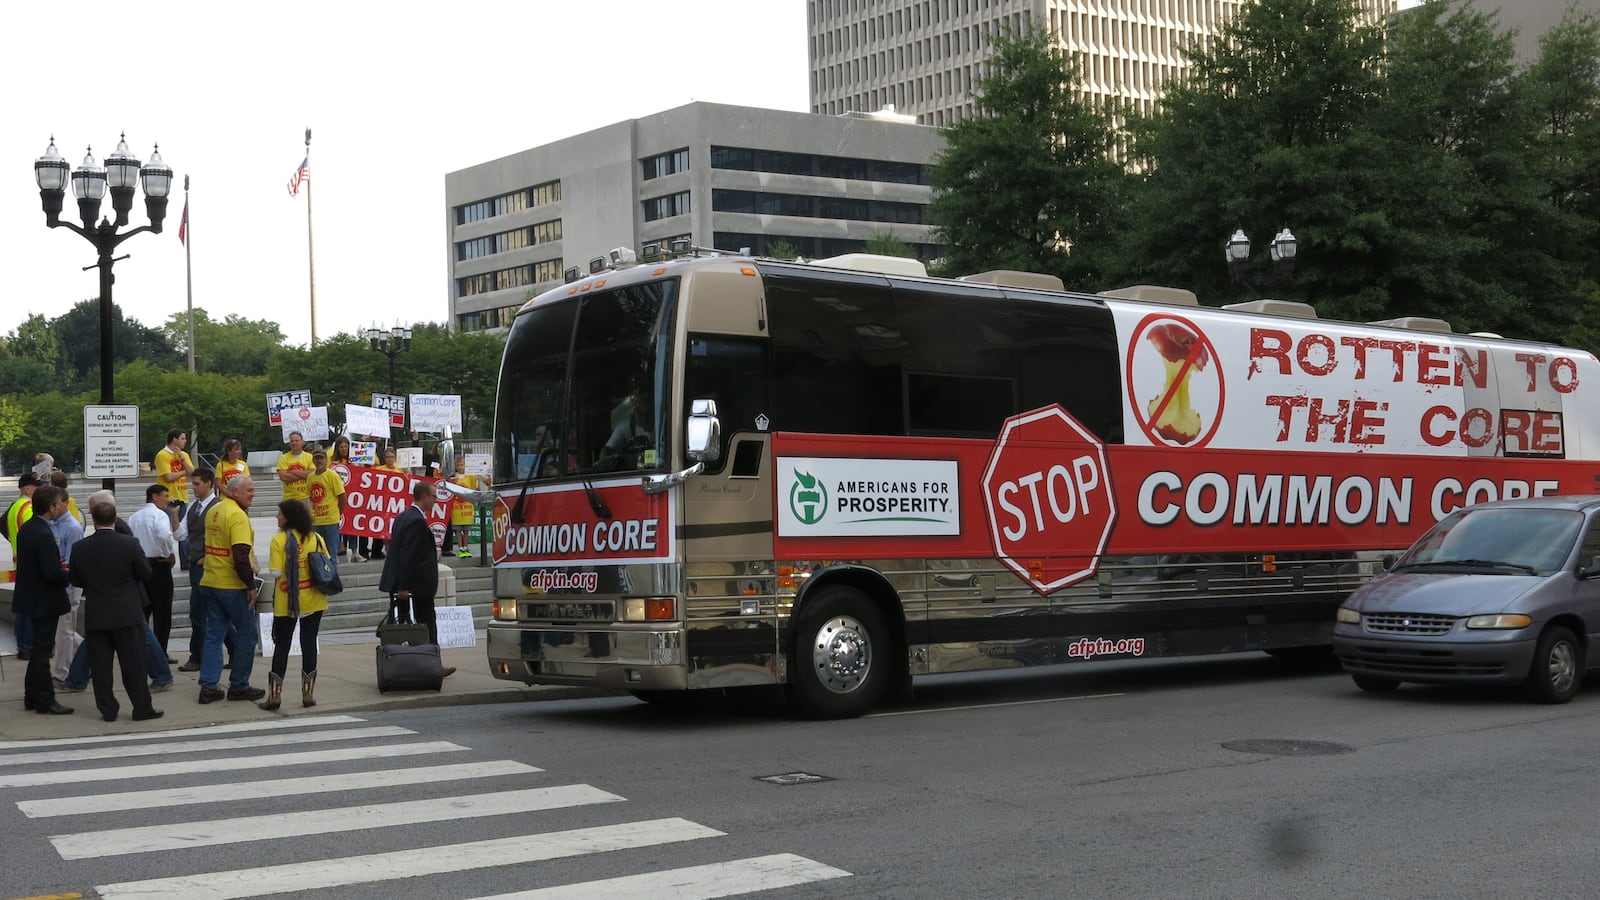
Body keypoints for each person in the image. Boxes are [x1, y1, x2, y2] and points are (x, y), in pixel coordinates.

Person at [71, 493, 162, 722]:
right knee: (133, 663)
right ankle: (142, 707)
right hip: (126, 611)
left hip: (97, 612)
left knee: (100, 666)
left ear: (93, 520)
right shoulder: (129, 544)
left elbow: (76, 579)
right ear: (115, 518)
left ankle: (108, 710)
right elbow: (145, 573)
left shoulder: (80, 547)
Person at [196, 475, 264, 703]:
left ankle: (208, 686)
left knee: (214, 636)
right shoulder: (237, 515)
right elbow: (240, 555)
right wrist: (250, 585)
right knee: (247, 635)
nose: (253, 494)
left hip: (210, 581)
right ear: (235, 492)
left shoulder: (215, 510)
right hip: (231, 585)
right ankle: (239, 686)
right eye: (249, 490)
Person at [378, 481, 455, 678]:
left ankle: (415, 664)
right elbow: (408, 554)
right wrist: (404, 586)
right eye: (434, 496)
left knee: (412, 625)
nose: (436, 500)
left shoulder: (404, 516)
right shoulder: (415, 520)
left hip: (409, 583)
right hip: (415, 585)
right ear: (425, 497)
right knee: (426, 624)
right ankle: (432, 664)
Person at [262, 499, 328, 709]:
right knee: (309, 644)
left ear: (289, 517)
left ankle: (275, 696)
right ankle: (308, 694)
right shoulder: (315, 537)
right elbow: (326, 563)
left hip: (287, 601)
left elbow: (275, 572)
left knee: (282, 646)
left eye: (280, 513)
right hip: (314, 598)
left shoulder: (279, 540)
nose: (277, 517)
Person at [15, 485, 73, 715]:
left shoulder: (30, 528)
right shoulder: (43, 534)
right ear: (52, 507)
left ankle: (32, 695)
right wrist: (70, 574)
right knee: (42, 652)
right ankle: (45, 699)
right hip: (44, 600)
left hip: (31, 597)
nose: (62, 506)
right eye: (60, 502)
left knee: (38, 650)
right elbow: (51, 573)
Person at [173, 468, 227, 672]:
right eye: (192, 483)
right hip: (197, 564)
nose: (193, 487)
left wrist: (209, 556)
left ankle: (197, 655)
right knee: (206, 610)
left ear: (208, 484)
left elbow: (223, 537)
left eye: (196, 484)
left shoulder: (219, 507)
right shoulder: (194, 507)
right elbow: (180, 535)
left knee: (200, 610)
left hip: (209, 565)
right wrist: (175, 516)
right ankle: (231, 647)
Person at [128, 483, 179, 663]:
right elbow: (165, 535)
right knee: (162, 612)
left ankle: (142, 649)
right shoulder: (159, 515)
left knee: (143, 610)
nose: (167, 499)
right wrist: (169, 553)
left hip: (141, 565)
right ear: (155, 497)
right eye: (165, 496)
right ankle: (160, 652)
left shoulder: (134, 517)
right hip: (159, 563)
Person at [46, 473, 85, 685]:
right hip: (58, 586)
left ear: (65, 503)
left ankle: (63, 672)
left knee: (65, 632)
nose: (54, 507)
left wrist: (68, 589)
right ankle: (87, 652)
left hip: (68, 587)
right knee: (64, 630)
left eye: (57, 503)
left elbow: (71, 563)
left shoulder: (72, 528)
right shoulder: (53, 525)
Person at [5, 472, 40, 657]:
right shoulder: (28, 507)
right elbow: (35, 534)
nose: (39, 491)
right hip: (31, 565)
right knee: (31, 609)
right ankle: (28, 646)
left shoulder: (14, 507)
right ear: (27, 488)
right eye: (37, 487)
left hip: (19, 563)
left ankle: (22, 644)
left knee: (22, 608)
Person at [153, 428, 196, 568]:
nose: (185, 441)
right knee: (165, 530)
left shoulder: (184, 455)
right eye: (183, 438)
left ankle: (186, 562)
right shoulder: (162, 455)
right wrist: (184, 471)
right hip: (168, 499)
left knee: (182, 531)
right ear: (174, 439)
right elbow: (168, 477)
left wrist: (183, 460)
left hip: (182, 497)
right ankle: (164, 558)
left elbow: (194, 473)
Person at [306, 448, 346, 576]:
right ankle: (321, 576)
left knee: (331, 553)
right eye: (316, 458)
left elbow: (342, 497)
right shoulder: (310, 477)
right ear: (313, 460)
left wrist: (338, 513)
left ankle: (332, 578)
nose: (319, 461)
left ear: (326, 460)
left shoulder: (332, 475)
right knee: (317, 552)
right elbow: (310, 497)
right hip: (316, 521)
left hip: (330, 520)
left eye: (321, 458)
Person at [329, 434, 366, 561]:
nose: (344, 449)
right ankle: (338, 549)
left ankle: (355, 552)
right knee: (339, 524)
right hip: (338, 498)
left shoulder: (355, 461)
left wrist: (359, 467)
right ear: (337, 449)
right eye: (341, 447)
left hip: (353, 498)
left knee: (353, 523)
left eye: (346, 446)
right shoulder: (332, 463)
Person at [368, 445, 404, 561]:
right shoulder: (379, 470)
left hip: (396, 504)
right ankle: (388, 549)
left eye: (392, 457)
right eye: (387, 457)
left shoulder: (400, 469)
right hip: (383, 504)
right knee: (384, 528)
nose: (390, 459)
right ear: (384, 458)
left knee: (394, 528)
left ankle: (393, 549)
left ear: (395, 457)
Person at [448, 455, 481, 559]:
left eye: (462, 464)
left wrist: (479, 479)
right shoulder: (453, 477)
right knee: (457, 530)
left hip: (467, 508)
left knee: (466, 530)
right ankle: (460, 548)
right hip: (456, 509)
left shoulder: (470, 476)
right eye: (457, 465)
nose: (460, 467)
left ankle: (466, 547)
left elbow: (475, 489)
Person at [277, 431, 313, 510]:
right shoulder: (283, 458)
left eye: (297, 441)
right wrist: (304, 474)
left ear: (302, 442)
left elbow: (311, 474)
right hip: (289, 499)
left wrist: (293, 471)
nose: (294, 443)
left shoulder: (310, 457)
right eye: (292, 441)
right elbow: (284, 477)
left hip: (306, 498)